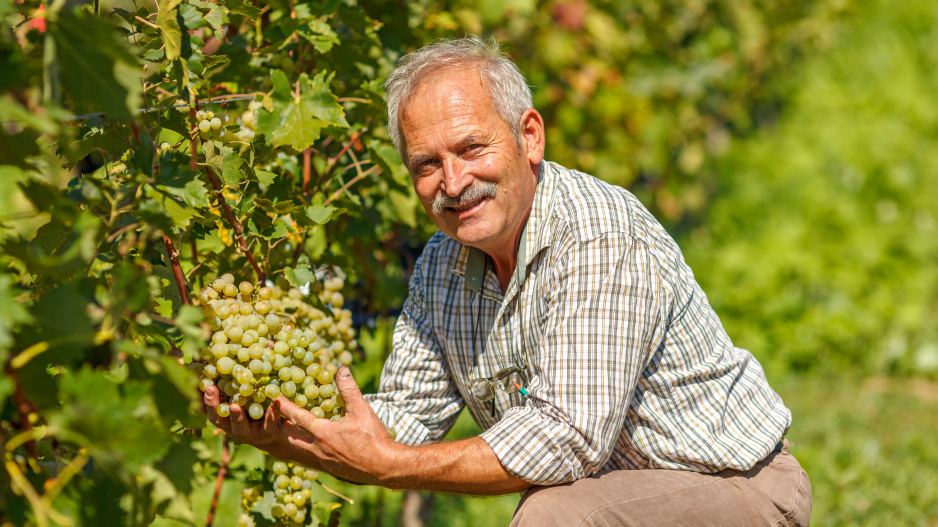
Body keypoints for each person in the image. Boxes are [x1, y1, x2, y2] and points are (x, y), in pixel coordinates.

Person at [204, 36, 812, 526]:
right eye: (426, 164)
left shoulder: (600, 236)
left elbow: (566, 439)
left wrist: (387, 466)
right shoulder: (442, 266)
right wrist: (292, 433)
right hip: (609, 491)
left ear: (529, 136)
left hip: (733, 489)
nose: (453, 181)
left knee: (554, 518)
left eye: (471, 147)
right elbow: (408, 416)